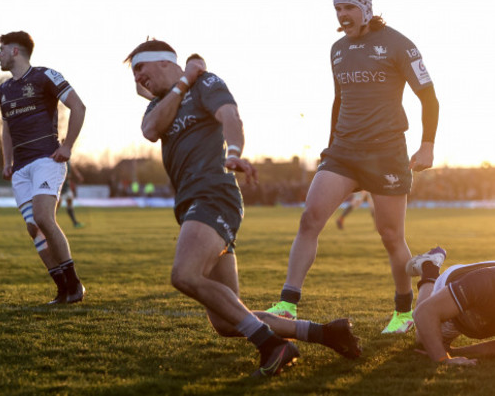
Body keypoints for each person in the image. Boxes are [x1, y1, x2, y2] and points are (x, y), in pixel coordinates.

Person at [126, 40, 362, 377]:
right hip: (193, 204)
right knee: (227, 320)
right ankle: (327, 333)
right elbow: (150, 131)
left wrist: (234, 150)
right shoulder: (159, 105)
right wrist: (182, 82)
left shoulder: (206, 84)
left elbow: (229, 116)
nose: (137, 79)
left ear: (163, 61)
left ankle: (272, 346)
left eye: (139, 68)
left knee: (184, 275)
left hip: (212, 195)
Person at [266, 0, 440, 334]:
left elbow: (429, 97)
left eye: (348, 8)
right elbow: (338, 100)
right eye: (338, 10)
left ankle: (403, 312)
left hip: (386, 154)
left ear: (365, 9)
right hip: (343, 152)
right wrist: (330, 144)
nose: (343, 15)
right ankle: (287, 303)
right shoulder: (337, 49)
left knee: (390, 235)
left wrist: (427, 145)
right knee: (310, 218)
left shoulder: (399, 44)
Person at [0, 31, 86, 304]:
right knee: (32, 227)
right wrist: (6, 162)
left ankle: (75, 285)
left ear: (15, 51)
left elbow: (78, 106)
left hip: (47, 160)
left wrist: (68, 145)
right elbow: (6, 129)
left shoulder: (46, 75)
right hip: (20, 169)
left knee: (43, 217)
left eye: (1, 49)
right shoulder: (3, 89)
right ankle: (62, 288)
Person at [59, 159, 85, 228]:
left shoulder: (67, 159)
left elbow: (72, 167)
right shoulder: (58, 158)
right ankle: (49, 223)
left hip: (67, 187)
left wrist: (78, 175)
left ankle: (75, 223)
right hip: (59, 188)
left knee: (70, 202)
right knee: (56, 206)